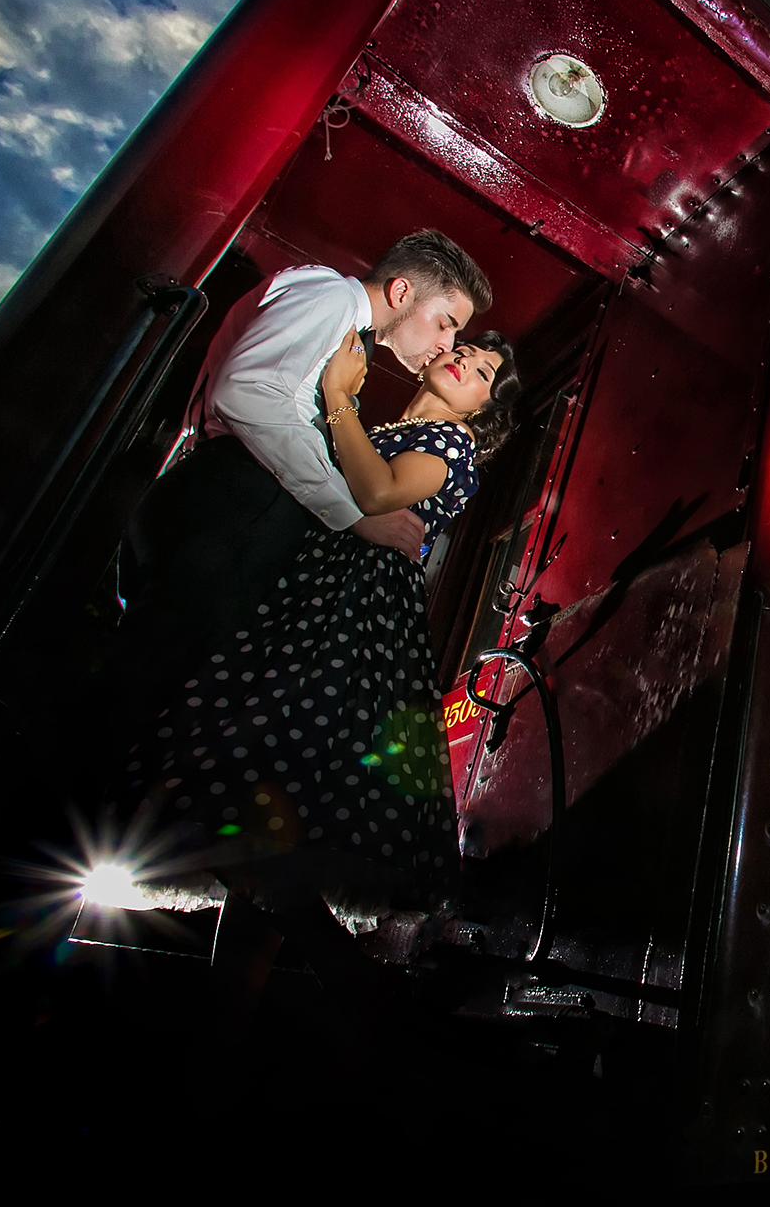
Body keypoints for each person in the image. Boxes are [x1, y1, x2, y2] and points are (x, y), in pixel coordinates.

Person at [110, 329, 521, 1033]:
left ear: (482, 410)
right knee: (264, 817)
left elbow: (378, 488)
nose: (465, 363)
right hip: (306, 601)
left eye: (483, 373)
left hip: (346, 621)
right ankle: (228, 1042)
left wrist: (337, 395)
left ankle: (352, 986)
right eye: (467, 351)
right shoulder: (391, 427)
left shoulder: (449, 447)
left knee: (254, 795)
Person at [94, 229, 493, 758]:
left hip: (231, 504)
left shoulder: (340, 327)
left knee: (158, 685)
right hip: (236, 504)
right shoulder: (330, 297)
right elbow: (247, 392)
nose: (446, 344)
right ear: (401, 294)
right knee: (137, 697)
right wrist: (349, 515)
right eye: (447, 323)